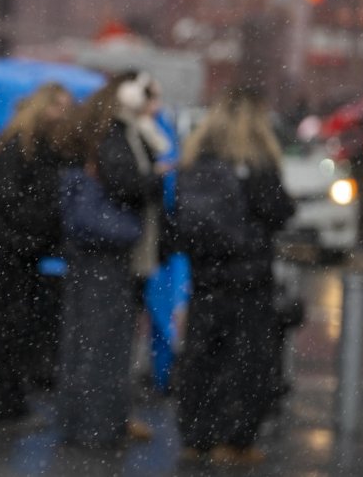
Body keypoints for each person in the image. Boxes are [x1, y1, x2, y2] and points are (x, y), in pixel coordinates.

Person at [174, 87, 296, 465]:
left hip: (205, 277)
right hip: (249, 278)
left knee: (201, 357)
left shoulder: (196, 160)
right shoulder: (256, 163)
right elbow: (279, 211)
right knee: (247, 362)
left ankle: (196, 437)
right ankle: (235, 441)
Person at [57, 71, 164, 448]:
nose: (157, 105)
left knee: (93, 341)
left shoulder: (107, 129)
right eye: (151, 95)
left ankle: (93, 423)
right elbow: (125, 182)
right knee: (103, 344)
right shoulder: (116, 132)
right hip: (106, 253)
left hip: (99, 253)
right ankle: (96, 428)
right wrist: (156, 180)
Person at [0, 82, 71, 424]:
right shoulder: (23, 148)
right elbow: (8, 199)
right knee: (6, 331)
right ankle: (6, 406)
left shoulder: (29, 146)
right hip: (12, 251)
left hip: (17, 250)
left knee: (9, 331)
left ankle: (9, 405)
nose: (63, 113)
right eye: (58, 105)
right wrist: (39, 230)